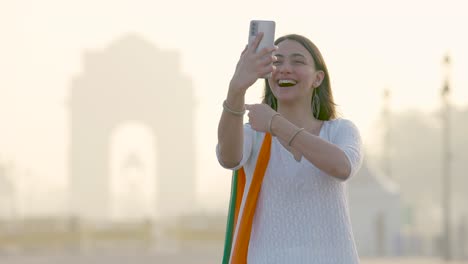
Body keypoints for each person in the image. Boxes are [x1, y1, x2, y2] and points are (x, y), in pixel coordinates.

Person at [217, 32, 363, 263]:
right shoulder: (253, 135)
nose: (285, 69)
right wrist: (236, 88)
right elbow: (228, 158)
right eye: (277, 62)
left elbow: (342, 167)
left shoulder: (340, 131)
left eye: (297, 61)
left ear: (318, 78)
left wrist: (275, 123)